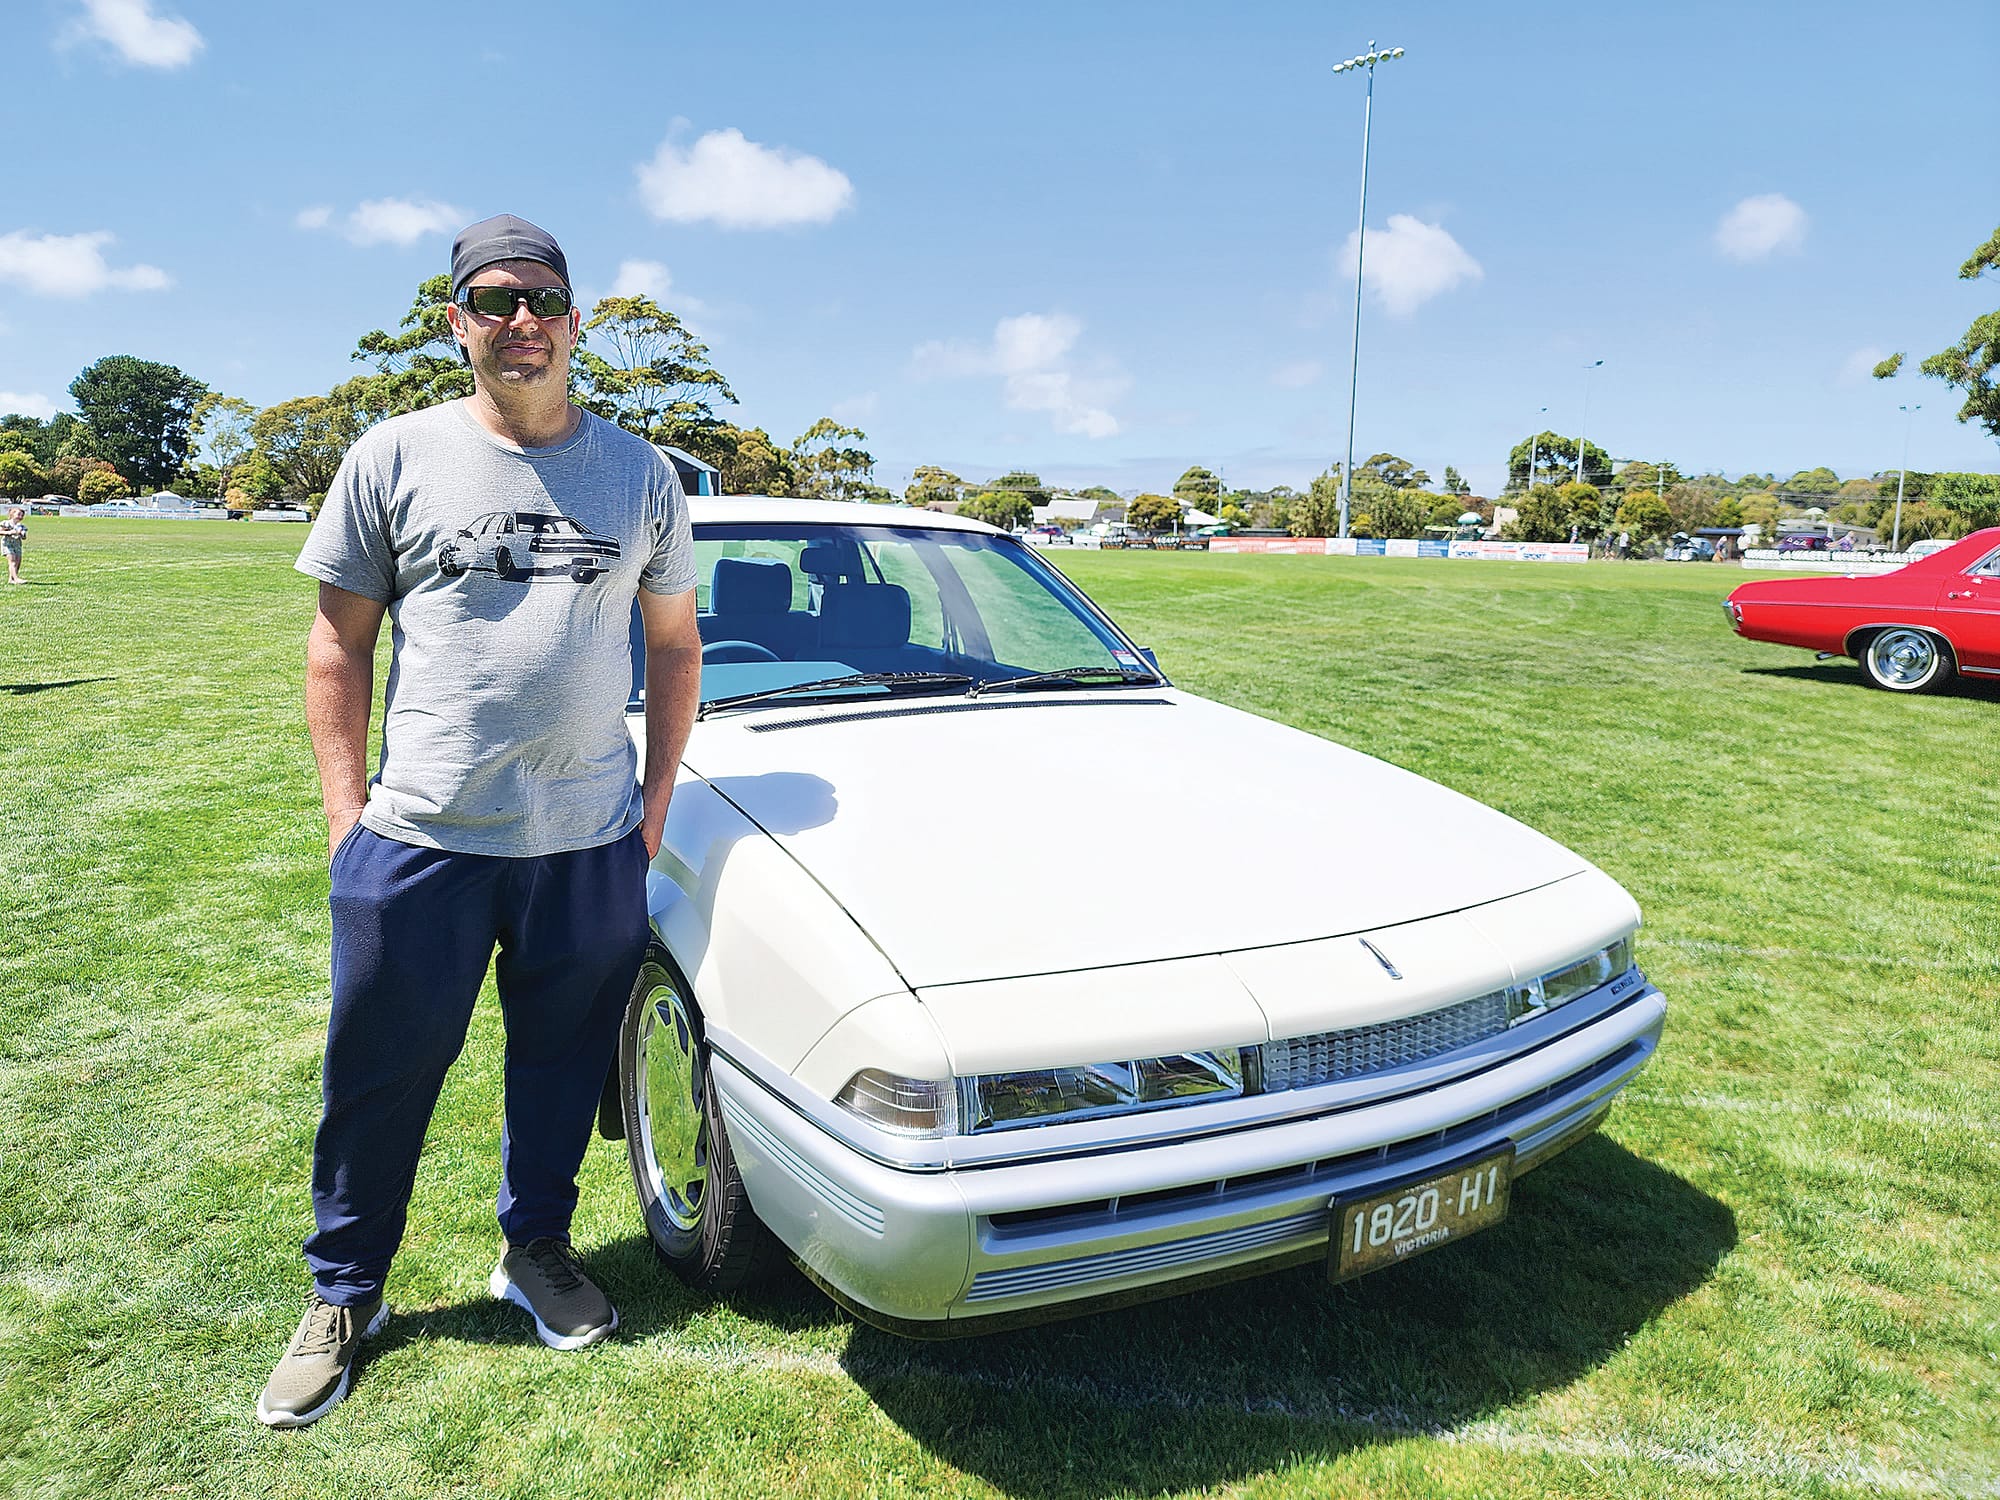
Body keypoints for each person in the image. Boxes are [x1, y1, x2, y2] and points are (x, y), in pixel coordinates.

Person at [258, 215, 703, 1428]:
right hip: (421, 842)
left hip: (585, 842)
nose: (521, 322)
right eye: (494, 300)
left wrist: (652, 802)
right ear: (457, 321)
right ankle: (347, 1292)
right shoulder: (392, 458)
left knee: (559, 1066)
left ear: (575, 317)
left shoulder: (638, 473)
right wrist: (347, 820)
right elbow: (335, 645)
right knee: (379, 1076)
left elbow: (673, 643)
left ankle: (537, 1250)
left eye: (542, 299)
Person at [2, 507, 25, 584]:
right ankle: (16, 579)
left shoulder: (21, 526)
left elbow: (24, 537)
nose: (20, 516)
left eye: (22, 515)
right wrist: (9, 532)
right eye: (18, 514)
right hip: (7, 544)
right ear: (12, 514)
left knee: (18, 562)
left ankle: (11, 579)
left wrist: (22, 534)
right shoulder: (6, 523)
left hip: (17, 545)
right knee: (12, 561)